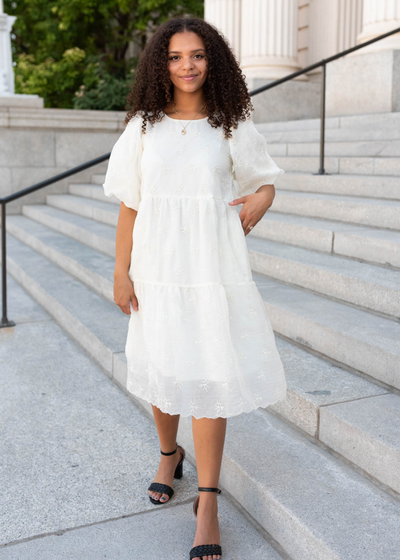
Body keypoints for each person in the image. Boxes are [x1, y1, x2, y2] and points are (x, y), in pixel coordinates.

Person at [102, 15, 287, 560]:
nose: (187, 66)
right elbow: (129, 205)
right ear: (162, 63)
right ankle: (168, 453)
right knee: (163, 369)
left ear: (214, 61)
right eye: (176, 56)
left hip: (211, 269)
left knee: (208, 370)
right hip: (157, 269)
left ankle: (207, 502)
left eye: (198, 55)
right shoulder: (143, 125)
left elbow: (263, 178)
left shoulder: (232, 121)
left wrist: (262, 197)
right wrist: (121, 271)